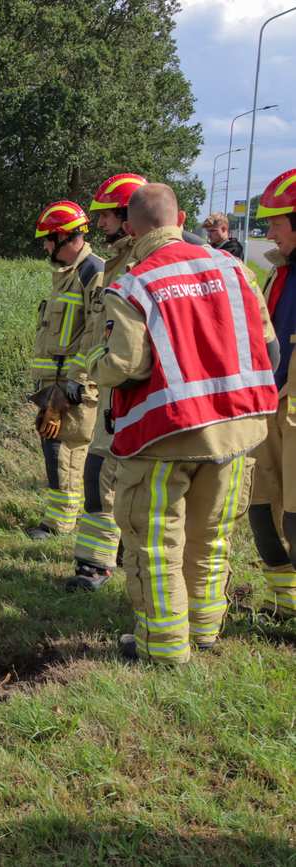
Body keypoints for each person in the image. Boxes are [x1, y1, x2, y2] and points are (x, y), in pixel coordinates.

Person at [93, 183, 278, 663]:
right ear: (180, 218)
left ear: (131, 228)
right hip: (237, 432)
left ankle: (164, 646)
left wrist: (92, 363)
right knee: (211, 536)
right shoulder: (237, 269)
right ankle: (205, 631)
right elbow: (269, 347)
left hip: (164, 435)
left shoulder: (134, 283)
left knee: (156, 543)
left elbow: (124, 365)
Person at [64, 173, 147, 591]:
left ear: (128, 215)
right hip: (111, 391)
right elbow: (98, 329)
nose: (101, 226)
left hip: (135, 395)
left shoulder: (141, 265)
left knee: (110, 480)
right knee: (101, 475)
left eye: (107, 217)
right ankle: (100, 561)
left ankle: (99, 566)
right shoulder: (116, 263)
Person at [25, 201, 104, 540]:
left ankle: (60, 523)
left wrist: (77, 380)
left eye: (48, 239)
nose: (45, 247)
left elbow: (96, 331)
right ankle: (60, 516)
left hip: (71, 384)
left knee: (67, 450)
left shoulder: (92, 272)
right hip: (53, 382)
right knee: (53, 446)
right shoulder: (67, 275)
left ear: (65, 237)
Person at [247, 168, 296, 619]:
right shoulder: (280, 272)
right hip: (272, 408)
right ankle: (285, 604)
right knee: (262, 515)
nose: (269, 232)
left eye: (277, 221)